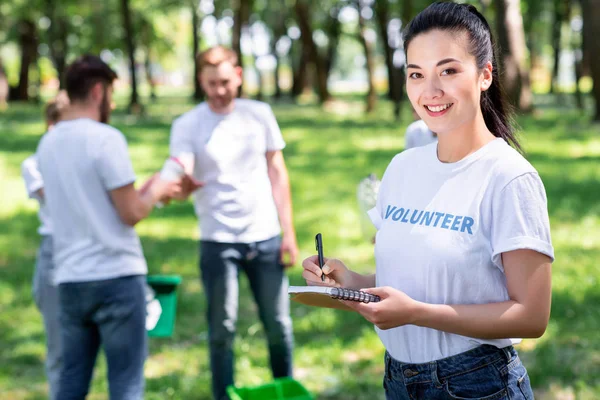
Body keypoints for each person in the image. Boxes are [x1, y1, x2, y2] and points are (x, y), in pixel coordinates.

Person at [301, 3, 554, 399]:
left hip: (477, 384)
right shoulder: (402, 167)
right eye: (416, 74)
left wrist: (417, 315)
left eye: (448, 71)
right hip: (399, 381)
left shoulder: (508, 177)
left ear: (485, 74)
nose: (430, 90)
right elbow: (407, 287)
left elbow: (531, 316)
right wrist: (348, 283)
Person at [36, 55, 181, 400]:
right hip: (115, 277)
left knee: (71, 381)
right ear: (99, 91)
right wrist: (158, 191)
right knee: (126, 384)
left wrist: (142, 192)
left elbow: (89, 203)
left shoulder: (47, 144)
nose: (113, 103)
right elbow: (130, 212)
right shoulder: (105, 138)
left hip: (70, 278)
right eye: (112, 94)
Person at [169, 46, 298, 400]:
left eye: (225, 81)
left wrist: (289, 233)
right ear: (201, 81)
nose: (219, 90)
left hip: (265, 234)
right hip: (217, 239)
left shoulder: (259, 114)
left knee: (278, 325)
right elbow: (181, 166)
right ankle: (223, 396)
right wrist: (181, 183)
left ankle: (285, 390)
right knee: (222, 329)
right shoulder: (187, 124)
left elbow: (277, 172)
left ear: (238, 75)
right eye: (211, 83)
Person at [20, 91, 69, 400]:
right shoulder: (34, 164)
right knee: (59, 349)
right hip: (55, 250)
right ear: (52, 126)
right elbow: (61, 200)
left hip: (91, 253)